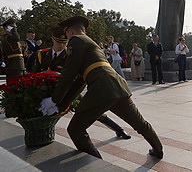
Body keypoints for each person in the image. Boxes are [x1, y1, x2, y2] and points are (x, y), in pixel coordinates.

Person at [39, 16, 163, 159]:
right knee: (139, 123)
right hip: (117, 86)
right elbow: (80, 81)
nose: (66, 39)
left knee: (75, 129)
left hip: (102, 89)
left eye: (66, 34)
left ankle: (99, 165)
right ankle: (158, 150)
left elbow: (68, 75)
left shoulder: (76, 40)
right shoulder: (91, 44)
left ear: (71, 32)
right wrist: (60, 104)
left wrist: (54, 100)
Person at [34, 26, 131, 139]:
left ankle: (119, 129)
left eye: (64, 42)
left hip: (68, 91)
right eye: (58, 42)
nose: (61, 45)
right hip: (48, 90)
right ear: (52, 40)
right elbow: (34, 74)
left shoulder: (71, 54)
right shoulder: (42, 54)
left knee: (94, 112)